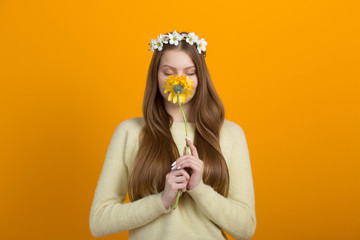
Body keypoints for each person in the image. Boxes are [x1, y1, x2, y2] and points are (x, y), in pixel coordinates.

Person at [89, 30, 257, 240]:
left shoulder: (231, 134)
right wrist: (161, 201)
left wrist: (199, 189)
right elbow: (99, 221)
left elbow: (246, 228)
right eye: (169, 73)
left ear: (200, 77)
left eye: (190, 72)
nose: (180, 80)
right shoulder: (129, 131)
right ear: (155, 76)